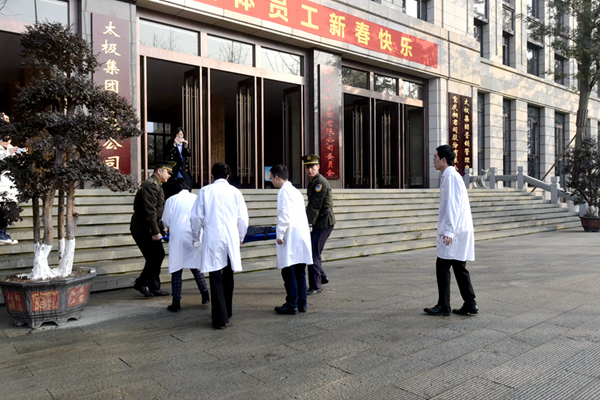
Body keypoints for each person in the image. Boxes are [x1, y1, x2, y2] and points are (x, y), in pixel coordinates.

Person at [191, 162, 249, 330]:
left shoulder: (205, 191)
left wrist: (195, 235)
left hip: (213, 237)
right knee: (228, 275)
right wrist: (240, 236)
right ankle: (227, 311)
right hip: (230, 237)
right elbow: (243, 218)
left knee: (216, 276)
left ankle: (219, 318)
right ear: (228, 176)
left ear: (212, 176)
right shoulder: (235, 192)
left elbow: (196, 217)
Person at [424, 145, 478, 316]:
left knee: (443, 266)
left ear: (443, 159)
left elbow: (453, 206)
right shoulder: (450, 176)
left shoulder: (451, 177)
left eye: (435, 157)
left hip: (455, 230)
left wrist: (449, 231)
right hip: (458, 229)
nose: (433, 160)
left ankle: (444, 305)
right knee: (459, 267)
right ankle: (470, 304)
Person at [161, 178, 210, 312]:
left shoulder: (172, 200)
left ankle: (176, 302)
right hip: (195, 234)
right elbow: (203, 217)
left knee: (177, 268)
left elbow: (166, 220)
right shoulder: (196, 198)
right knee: (196, 266)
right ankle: (205, 294)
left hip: (178, 235)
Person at [270, 164, 312, 315]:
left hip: (291, 235)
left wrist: (280, 234)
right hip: (300, 234)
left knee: (289, 271)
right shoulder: (295, 191)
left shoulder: (284, 191)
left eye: (271, 178)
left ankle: (292, 303)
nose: (271, 181)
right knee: (300, 271)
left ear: (277, 177)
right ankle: (302, 303)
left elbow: (285, 215)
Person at [130, 161, 175, 298]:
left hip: (148, 227)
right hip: (143, 229)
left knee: (156, 256)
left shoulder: (156, 185)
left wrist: (160, 228)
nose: (169, 176)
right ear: (159, 171)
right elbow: (149, 211)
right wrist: (155, 232)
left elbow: (157, 211)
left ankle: (152, 286)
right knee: (155, 256)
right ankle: (143, 283)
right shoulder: (151, 185)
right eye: (168, 172)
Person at [302, 154, 335, 295]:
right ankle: (321, 276)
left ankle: (316, 286)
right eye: (307, 167)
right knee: (312, 251)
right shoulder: (313, 181)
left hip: (323, 222)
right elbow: (311, 205)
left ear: (318, 167)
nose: (310, 170)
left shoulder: (320, 183)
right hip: (319, 221)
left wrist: (309, 223)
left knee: (313, 253)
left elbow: (315, 206)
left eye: (312, 167)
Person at [0, 113, 24, 245]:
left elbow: (20, 152)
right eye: (4, 138)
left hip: (10, 187)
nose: (7, 140)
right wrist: (7, 153)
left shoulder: (11, 148)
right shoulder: (6, 151)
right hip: (1, 187)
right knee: (4, 212)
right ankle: (1, 234)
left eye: (9, 138)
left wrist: (23, 152)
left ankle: (2, 234)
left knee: (12, 213)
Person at [165, 127, 192, 198]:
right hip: (175, 167)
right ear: (175, 135)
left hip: (183, 168)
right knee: (176, 183)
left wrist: (186, 146)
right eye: (178, 135)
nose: (180, 137)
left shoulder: (183, 144)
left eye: (181, 135)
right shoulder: (171, 142)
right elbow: (167, 152)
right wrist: (174, 144)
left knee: (185, 183)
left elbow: (189, 154)